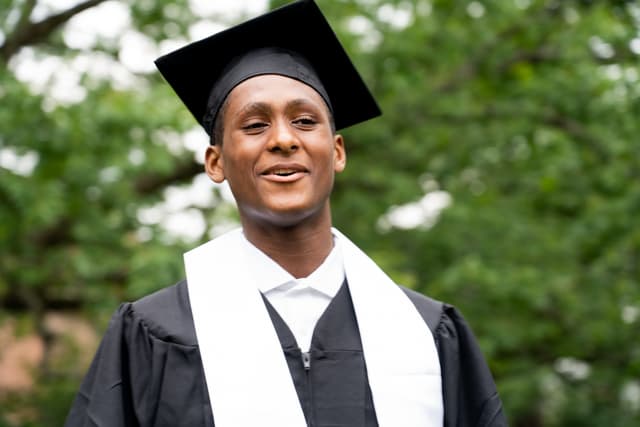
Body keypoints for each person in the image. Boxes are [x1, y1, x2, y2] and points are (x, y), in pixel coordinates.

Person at [65, 1, 507, 426]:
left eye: (305, 121)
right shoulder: (153, 333)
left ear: (336, 152)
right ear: (215, 162)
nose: (283, 139)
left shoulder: (426, 332)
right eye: (255, 125)